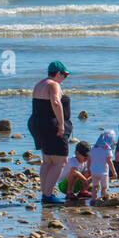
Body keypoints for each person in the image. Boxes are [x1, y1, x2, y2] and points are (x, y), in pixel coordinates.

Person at [29, 61, 73, 204]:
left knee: (48, 161)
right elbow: (55, 102)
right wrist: (61, 124)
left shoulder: (39, 84)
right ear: (58, 73)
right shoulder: (54, 84)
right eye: (65, 75)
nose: (65, 78)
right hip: (50, 124)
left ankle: (45, 193)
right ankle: (48, 196)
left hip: (36, 123)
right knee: (61, 160)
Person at [88, 130, 117, 202]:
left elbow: (89, 160)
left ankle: (93, 200)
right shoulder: (107, 150)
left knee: (95, 186)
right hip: (103, 172)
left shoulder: (93, 149)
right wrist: (114, 172)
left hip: (94, 171)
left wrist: (88, 169)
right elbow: (109, 162)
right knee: (104, 187)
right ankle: (103, 200)